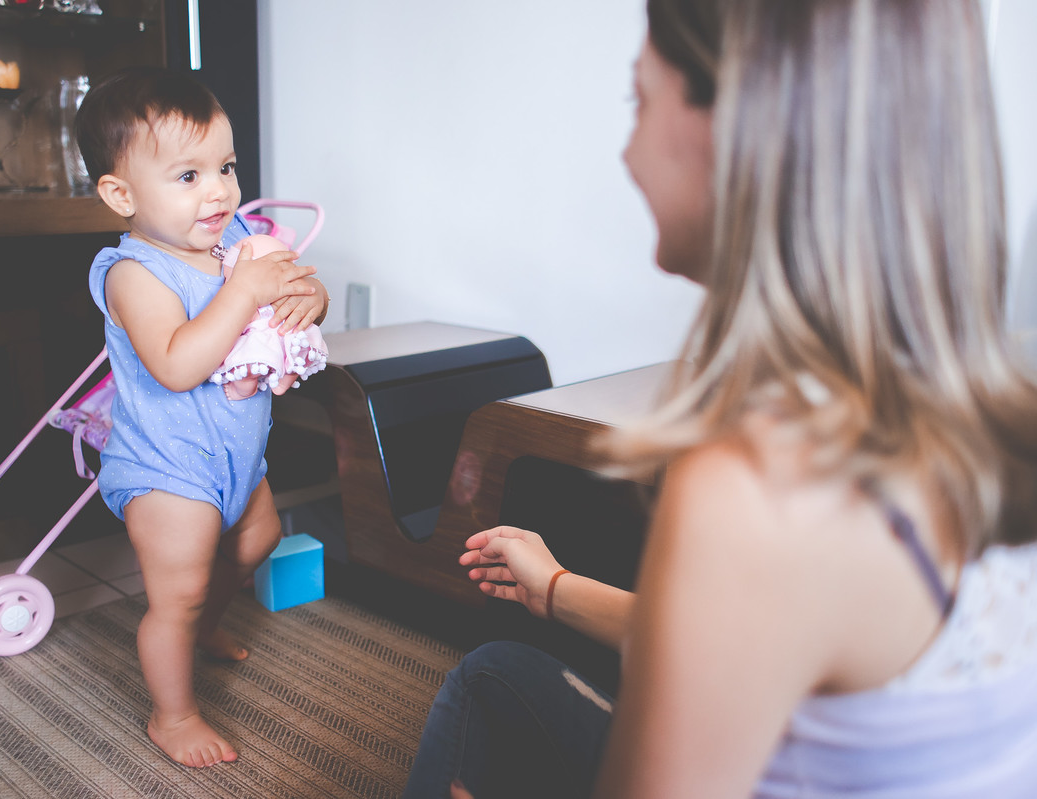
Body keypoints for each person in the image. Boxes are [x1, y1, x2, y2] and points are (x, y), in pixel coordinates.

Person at [404, 0, 1037, 796]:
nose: (628, 153)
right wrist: (557, 586)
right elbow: (768, 637)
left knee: (482, 691)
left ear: (739, 128)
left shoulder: (756, 489)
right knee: (499, 674)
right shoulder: (993, 418)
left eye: (640, 101)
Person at [74, 66, 329, 768]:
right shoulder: (134, 274)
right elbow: (178, 363)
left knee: (259, 539)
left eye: (226, 166)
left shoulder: (239, 238)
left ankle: (203, 627)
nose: (218, 190)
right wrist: (244, 290)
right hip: (167, 465)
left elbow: (293, 286)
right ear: (121, 193)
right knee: (177, 590)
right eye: (188, 176)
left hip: (237, 457)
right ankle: (172, 711)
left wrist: (309, 299)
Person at [209, 233, 329, 400]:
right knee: (294, 353)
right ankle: (284, 378)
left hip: (273, 332)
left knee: (253, 360)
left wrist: (315, 291)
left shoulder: (241, 231)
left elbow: (237, 321)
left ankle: (246, 386)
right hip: (287, 331)